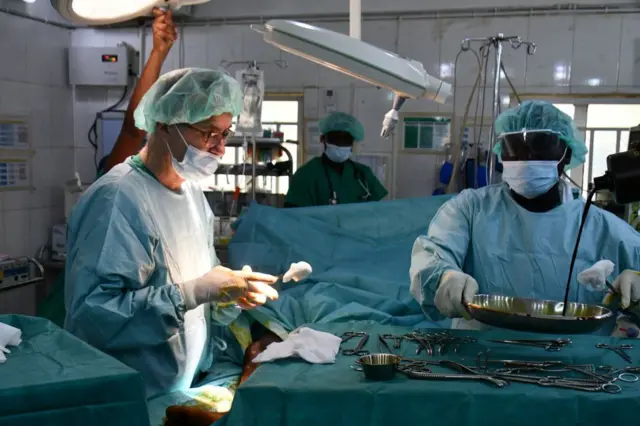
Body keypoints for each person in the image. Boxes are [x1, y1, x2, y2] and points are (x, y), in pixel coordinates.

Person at [64, 68, 280, 397]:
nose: (220, 149)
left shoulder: (191, 192)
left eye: (224, 134)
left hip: (180, 386)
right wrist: (191, 293)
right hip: (132, 395)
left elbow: (200, 285)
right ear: (165, 125)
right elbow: (93, 316)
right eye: (208, 133)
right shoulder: (117, 199)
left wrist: (225, 296)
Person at [409, 100, 640, 333]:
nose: (526, 157)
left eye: (541, 147)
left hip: (572, 360)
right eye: (514, 148)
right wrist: (444, 277)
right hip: (480, 353)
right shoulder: (470, 209)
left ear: (567, 155)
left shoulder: (604, 229)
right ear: (501, 153)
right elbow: (432, 256)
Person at [37, 8, 177, 328]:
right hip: (69, 321)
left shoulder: (175, 199)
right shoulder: (118, 183)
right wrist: (158, 52)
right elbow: (133, 127)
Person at [284, 111, 388, 207]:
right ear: (322, 139)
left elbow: (379, 212)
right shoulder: (306, 174)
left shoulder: (363, 174)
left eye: (346, 140)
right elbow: (294, 217)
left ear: (353, 143)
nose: (340, 144)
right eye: (335, 138)